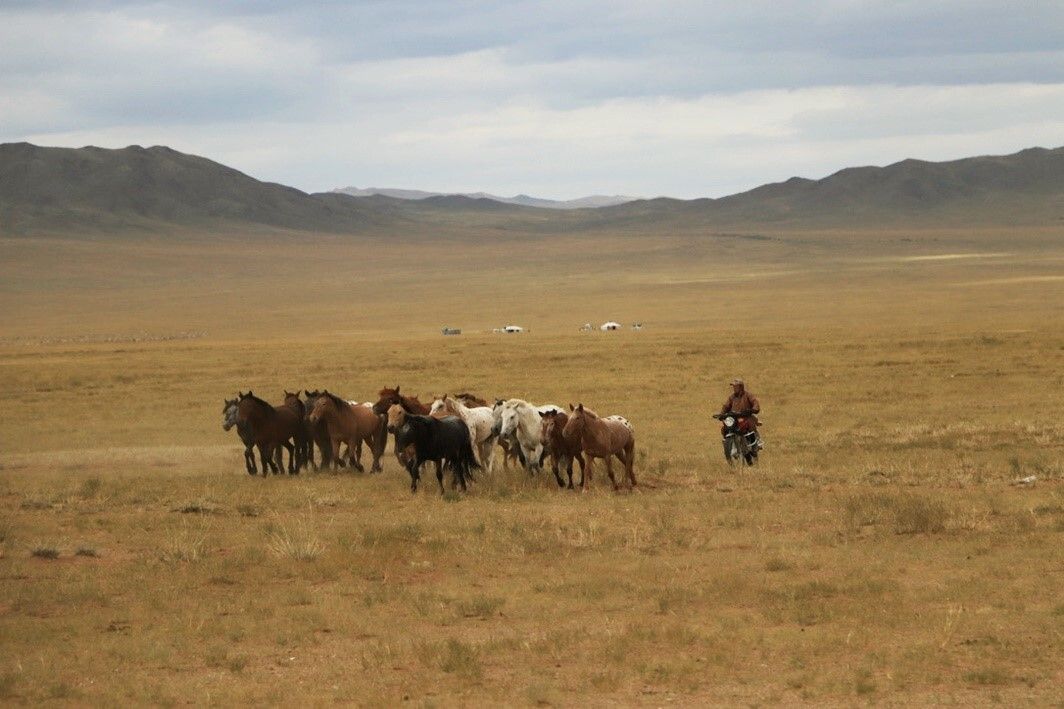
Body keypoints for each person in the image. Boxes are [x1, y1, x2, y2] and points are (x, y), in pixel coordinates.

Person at [720, 378, 763, 454]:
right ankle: (727, 443)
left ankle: (757, 440)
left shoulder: (748, 395)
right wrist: (722, 414)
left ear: (741, 387)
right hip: (734, 417)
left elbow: (755, 402)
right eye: (733, 387)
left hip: (746, 415)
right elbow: (726, 406)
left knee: (750, 423)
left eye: (736, 387)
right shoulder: (732, 397)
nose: (734, 388)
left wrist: (753, 409)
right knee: (725, 427)